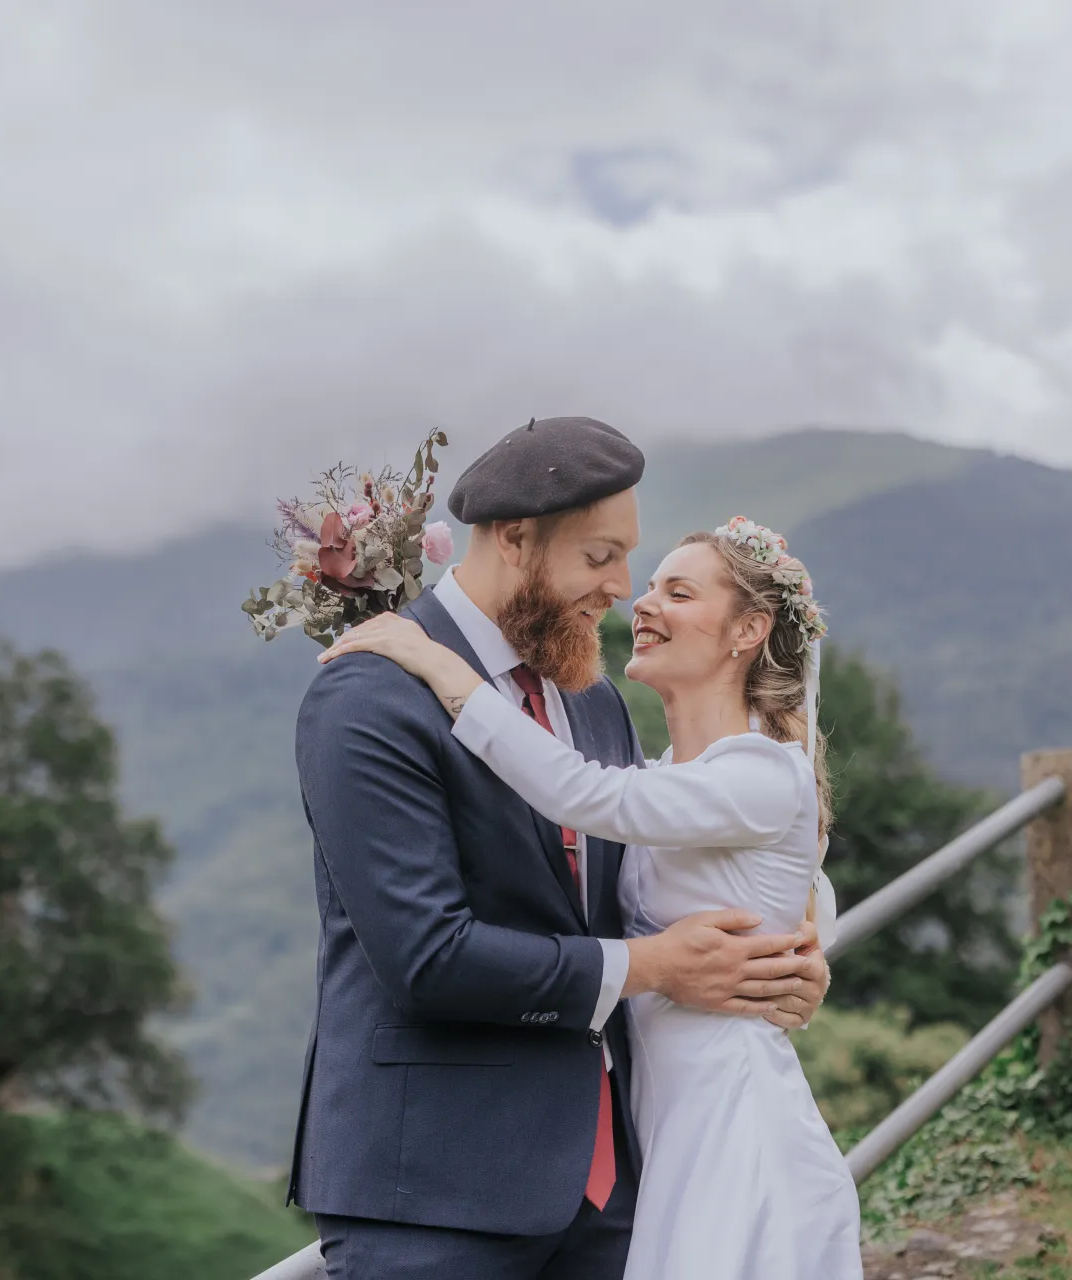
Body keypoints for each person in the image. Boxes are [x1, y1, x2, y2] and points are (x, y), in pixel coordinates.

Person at [287, 415, 831, 1279]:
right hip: (433, 1195)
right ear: (515, 539)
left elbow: (654, 867)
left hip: (613, 1187)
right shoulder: (374, 693)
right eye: (601, 556)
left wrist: (791, 944)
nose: (623, 588)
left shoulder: (592, 699)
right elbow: (428, 957)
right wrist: (656, 967)